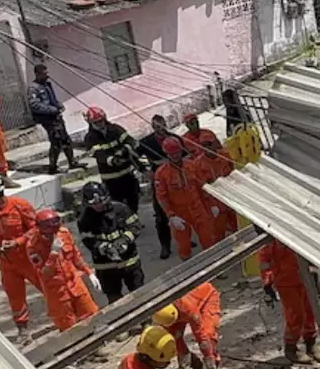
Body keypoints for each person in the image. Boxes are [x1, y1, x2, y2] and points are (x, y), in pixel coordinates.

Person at [0, 174, 41, 337]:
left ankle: (68, 317)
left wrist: (18, 242)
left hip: (29, 258)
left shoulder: (20, 206)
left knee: (48, 287)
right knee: (15, 296)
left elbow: (36, 229)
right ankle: (23, 330)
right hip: (7, 262)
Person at [26, 208, 98, 332]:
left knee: (91, 314)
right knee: (68, 325)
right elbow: (44, 272)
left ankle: (97, 345)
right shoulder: (33, 246)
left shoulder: (63, 234)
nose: (52, 236)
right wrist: (53, 253)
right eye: (48, 234)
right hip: (57, 291)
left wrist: (89, 272)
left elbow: (75, 256)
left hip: (74, 283)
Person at [154, 137, 219, 260]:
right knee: (183, 245)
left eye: (177, 152)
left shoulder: (192, 166)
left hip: (197, 208)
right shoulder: (161, 173)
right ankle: (189, 269)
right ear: (167, 154)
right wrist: (171, 216)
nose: (176, 156)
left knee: (208, 239)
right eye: (172, 154)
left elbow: (202, 187)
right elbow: (161, 196)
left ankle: (215, 265)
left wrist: (211, 204)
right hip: (179, 213)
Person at [260, 238, 320, 363]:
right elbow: (264, 261)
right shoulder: (270, 238)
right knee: (296, 315)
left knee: (310, 311)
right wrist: (267, 282)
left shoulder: (297, 231)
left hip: (304, 277)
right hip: (285, 281)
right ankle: (291, 347)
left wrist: (315, 270)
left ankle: (311, 344)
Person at [77, 181, 143, 301]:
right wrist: (104, 248)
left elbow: (135, 226)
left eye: (101, 202)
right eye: (94, 204)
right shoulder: (84, 219)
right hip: (106, 267)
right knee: (114, 299)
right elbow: (89, 241)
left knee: (139, 294)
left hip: (130, 261)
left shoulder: (121, 209)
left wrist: (124, 240)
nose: (99, 206)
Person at [81, 107, 145, 210]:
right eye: (96, 122)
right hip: (110, 177)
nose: (100, 124)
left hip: (127, 173)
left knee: (133, 199)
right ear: (91, 123)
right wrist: (112, 160)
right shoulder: (90, 138)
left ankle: (133, 221)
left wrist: (124, 150)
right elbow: (99, 155)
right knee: (116, 204)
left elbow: (130, 141)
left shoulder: (115, 129)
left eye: (101, 121)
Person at [153, 282, 222, 369]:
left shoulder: (187, 309)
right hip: (179, 310)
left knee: (208, 335)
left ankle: (213, 367)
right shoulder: (161, 310)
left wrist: (209, 360)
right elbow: (174, 336)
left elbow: (201, 337)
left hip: (207, 298)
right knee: (174, 336)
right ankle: (188, 366)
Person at [136, 115, 177, 259]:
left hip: (176, 179)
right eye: (156, 126)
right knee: (160, 215)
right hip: (159, 180)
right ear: (152, 127)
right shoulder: (147, 142)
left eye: (162, 125)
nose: (160, 128)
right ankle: (165, 246)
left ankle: (184, 238)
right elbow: (134, 155)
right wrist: (143, 170)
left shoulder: (174, 138)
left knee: (181, 210)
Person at [27, 63, 79, 174]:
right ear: (37, 74)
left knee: (66, 140)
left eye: (47, 73)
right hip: (48, 119)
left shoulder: (46, 85)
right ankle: (53, 167)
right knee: (56, 142)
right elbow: (35, 105)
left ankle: (72, 162)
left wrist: (58, 105)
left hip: (56, 117)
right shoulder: (33, 88)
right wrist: (52, 109)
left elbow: (51, 99)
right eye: (44, 74)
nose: (47, 75)